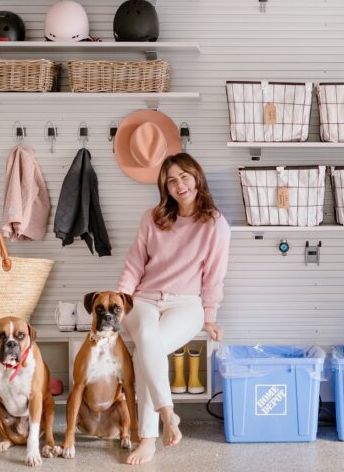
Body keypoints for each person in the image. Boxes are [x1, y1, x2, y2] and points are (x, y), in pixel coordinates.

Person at [117, 152, 230, 465]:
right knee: (146, 342)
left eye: (184, 176)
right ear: (165, 188)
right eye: (171, 180)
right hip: (144, 299)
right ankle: (167, 415)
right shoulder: (152, 217)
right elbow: (134, 263)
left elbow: (215, 276)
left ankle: (149, 438)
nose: (179, 184)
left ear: (197, 177)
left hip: (186, 303)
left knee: (144, 351)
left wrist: (210, 316)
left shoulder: (215, 225)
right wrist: (120, 299)